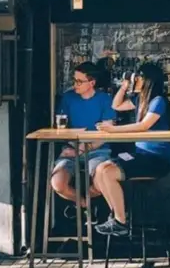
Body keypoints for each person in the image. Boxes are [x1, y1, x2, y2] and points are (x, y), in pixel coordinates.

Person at [93, 63, 170, 236]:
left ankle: (121, 221)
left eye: (138, 77)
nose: (135, 79)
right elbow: (116, 105)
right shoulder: (140, 100)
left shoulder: (158, 101)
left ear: (147, 80)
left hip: (156, 159)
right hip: (140, 156)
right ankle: (116, 216)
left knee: (107, 172)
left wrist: (113, 130)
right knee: (100, 170)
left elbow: (144, 126)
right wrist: (124, 86)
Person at [50, 61, 117, 221]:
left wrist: (81, 149)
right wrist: (72, 146)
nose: (75, 85)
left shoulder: (105, 99)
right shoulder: (68, 98)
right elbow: (61, 128)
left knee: (102, 181)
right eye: (74, 80)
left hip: (97, 150)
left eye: (79, 81)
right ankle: (85, 204)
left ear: (92, 82)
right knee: (57, 183)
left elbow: (108, 132)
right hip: (71, 147)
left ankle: (84, 205)